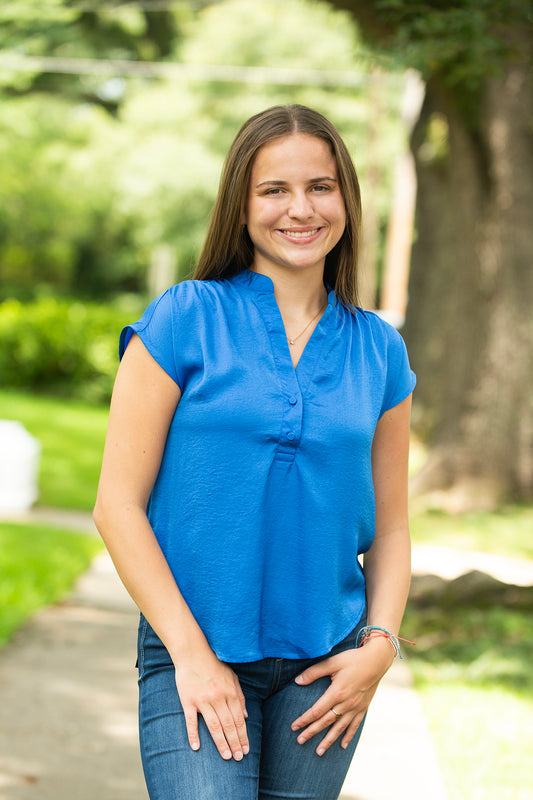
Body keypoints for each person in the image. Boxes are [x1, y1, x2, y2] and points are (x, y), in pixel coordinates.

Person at [93, 103, 416, 800]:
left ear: (347, 201)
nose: (299, 209)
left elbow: (390, 526)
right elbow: (117, 506)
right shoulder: (183, 318)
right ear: (240, 206)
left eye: (320, 187)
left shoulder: (380, 351)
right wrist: (190, 655)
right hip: (197, 646)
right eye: (274, 190)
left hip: (328, 666)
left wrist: (379, 648)